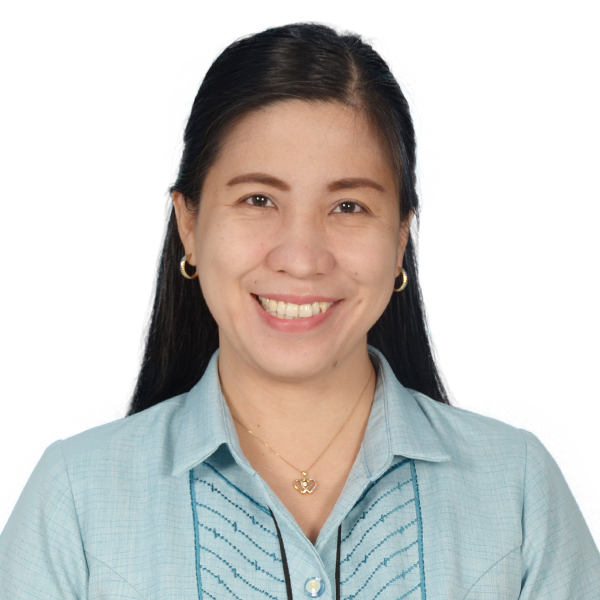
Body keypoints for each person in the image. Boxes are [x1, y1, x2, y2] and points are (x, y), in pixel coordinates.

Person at [1, 21, 598, 600]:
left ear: (400, 238)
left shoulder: (519, 491)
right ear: (189, 224)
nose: (302, 258)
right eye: (258, 199)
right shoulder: (75, 499)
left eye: (348, 206)